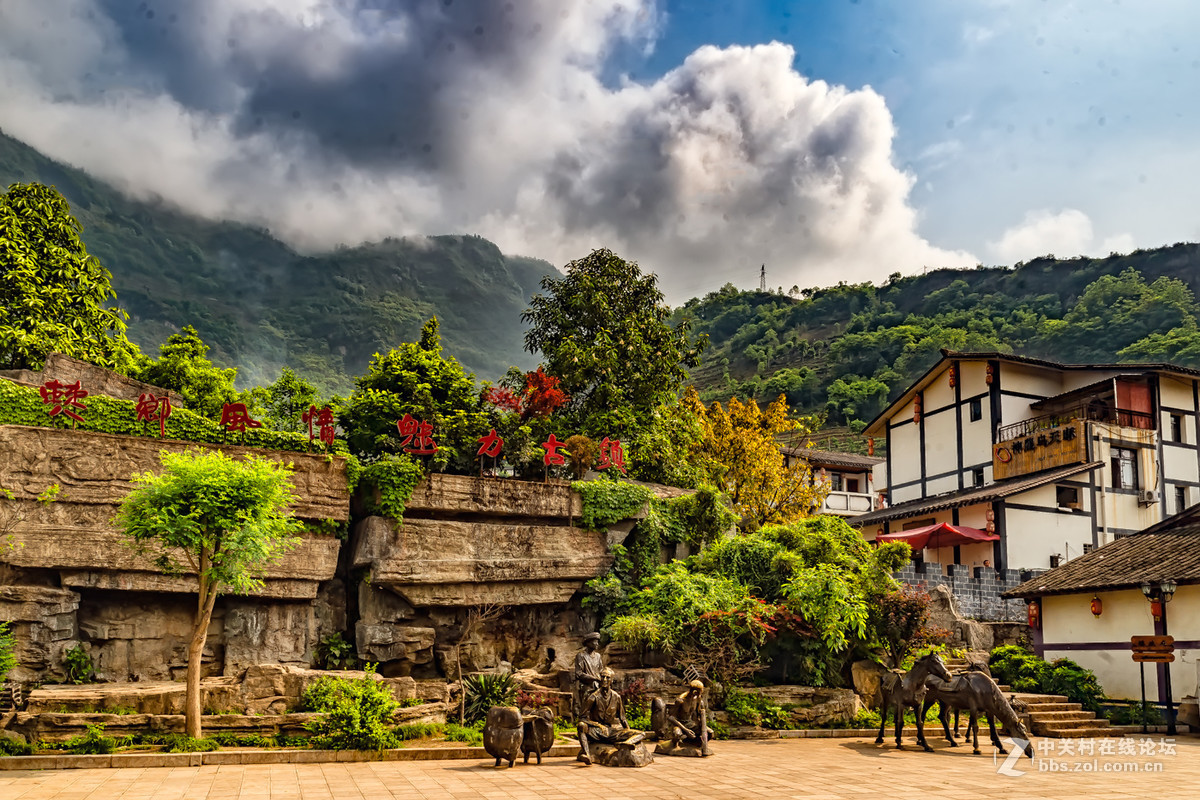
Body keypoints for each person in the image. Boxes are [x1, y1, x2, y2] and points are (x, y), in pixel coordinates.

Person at [576, 668, 641, 765]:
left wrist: (627, 730)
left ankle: (626, 743)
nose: (605, 680)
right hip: (596, 732)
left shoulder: (616, 697)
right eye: (603, 677)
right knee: (581, 725)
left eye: (607, 677)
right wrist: (598, 725)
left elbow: (622, 718)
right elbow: (582, 717)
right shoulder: (593, 697)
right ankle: (587, 755)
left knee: (641, 734)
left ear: (612, 680)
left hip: (611, 732)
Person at [654, 680, 712, 756]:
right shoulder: (681, 700)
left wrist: (701, 725)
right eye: (699, 692)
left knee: (710, 733)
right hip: (680, 724)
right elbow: (671, 717)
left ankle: (691, 743)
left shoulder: (698, 700)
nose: (700, 694)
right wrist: (686, 730)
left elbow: (699, 716)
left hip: (690, 724)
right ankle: (675, 746)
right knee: (677, 734)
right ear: (694, 691)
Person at [572, 632, 604, 720]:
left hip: (598, 686)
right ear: (588, 643)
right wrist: (593, 678)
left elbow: (601, 670)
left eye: (598, 642)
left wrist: (603, 678)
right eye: (595, 642)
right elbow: (579, 673)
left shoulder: (598, 656)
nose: (597, 644)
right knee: (586, 709)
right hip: (586, 687)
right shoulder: (581, 656)